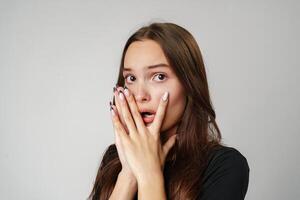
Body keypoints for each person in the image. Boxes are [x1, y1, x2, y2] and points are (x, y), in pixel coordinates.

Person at [88, 22, 249, 200]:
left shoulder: (225, 166)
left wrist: (149, 174)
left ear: (189, 85)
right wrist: (128, 176)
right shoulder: (115, 159)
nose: (140, 95)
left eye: (159, 76)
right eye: (131, 78)